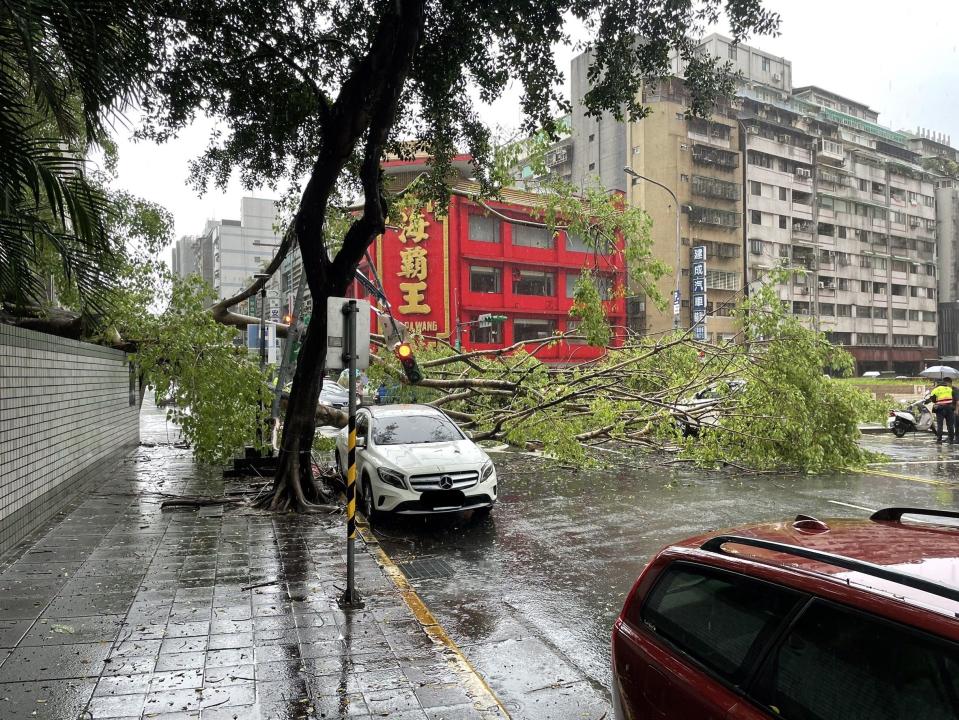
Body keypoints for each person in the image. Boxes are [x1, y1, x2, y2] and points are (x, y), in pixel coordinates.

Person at [923, 377, 956, 444]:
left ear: (937, 384)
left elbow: (933, 399)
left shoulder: (936, 390)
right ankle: (951, 439)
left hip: (940, 408)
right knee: (950, 425)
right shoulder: (950, 389)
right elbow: (953, 398)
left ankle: (939, 440)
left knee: (940, 425)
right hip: (949, 408)